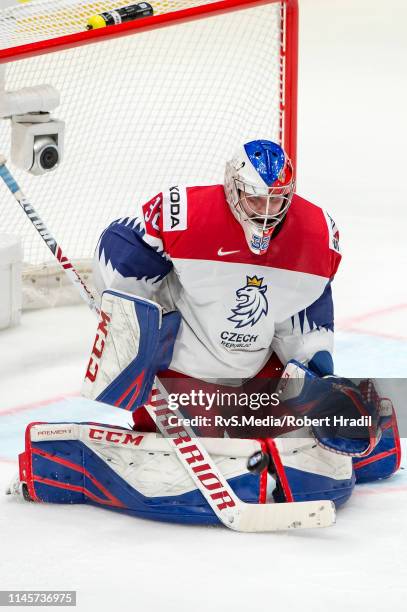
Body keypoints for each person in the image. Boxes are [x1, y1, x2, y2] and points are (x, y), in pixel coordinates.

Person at [9, 140, 400, 525]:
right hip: (182, 374)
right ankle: (66, 462)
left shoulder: (316, 235)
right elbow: (121, 241)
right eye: (255, 200)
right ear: (233, 189)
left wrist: (319, 375)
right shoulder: (185, 213)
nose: (266, 213)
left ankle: (334, 443)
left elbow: (305, 310)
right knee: (227, 452)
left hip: (258, 374)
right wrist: (131, 315)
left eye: (275, 201)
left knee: (324, 429)